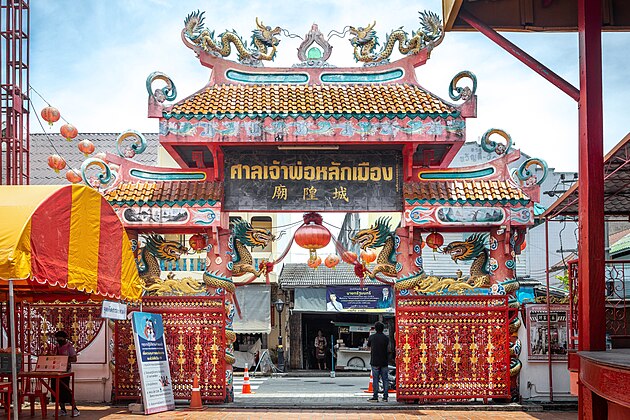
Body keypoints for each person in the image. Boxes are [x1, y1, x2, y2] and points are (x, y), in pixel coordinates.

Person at [51, 331, 80, 417]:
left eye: (60, 338)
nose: (58, 340)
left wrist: (64, 359)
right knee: (57, 392)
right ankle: (62, 410)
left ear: (64, 338)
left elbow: (74, 359)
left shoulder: (69, 347)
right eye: (57, 338)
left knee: (66, 392)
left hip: (65, 372)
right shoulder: (56, 347)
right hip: (56, 372)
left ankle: (75, 409)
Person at [367, 321, 389, 402]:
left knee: (375, 379)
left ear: (375, 329)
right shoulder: (386, 338)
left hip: (375, 361)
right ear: (383, 329)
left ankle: (375, 396)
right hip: (384, 361)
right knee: (385, 379)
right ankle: (385, 397)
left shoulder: (372, 337)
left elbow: (368, 345)